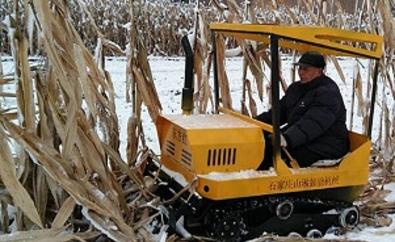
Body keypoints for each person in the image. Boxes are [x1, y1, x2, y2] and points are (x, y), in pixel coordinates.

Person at [255, 51, 349, 168]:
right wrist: (254, 123)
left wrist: (288, 138)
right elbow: (278, 113)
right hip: (303, 138)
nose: (301, 72)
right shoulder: (296, 88)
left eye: (306, 69)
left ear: (319, 71)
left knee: (279, 158)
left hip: (326, 143)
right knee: (262, 145)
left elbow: (313, 123)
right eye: (300, 68)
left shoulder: (328, 92)